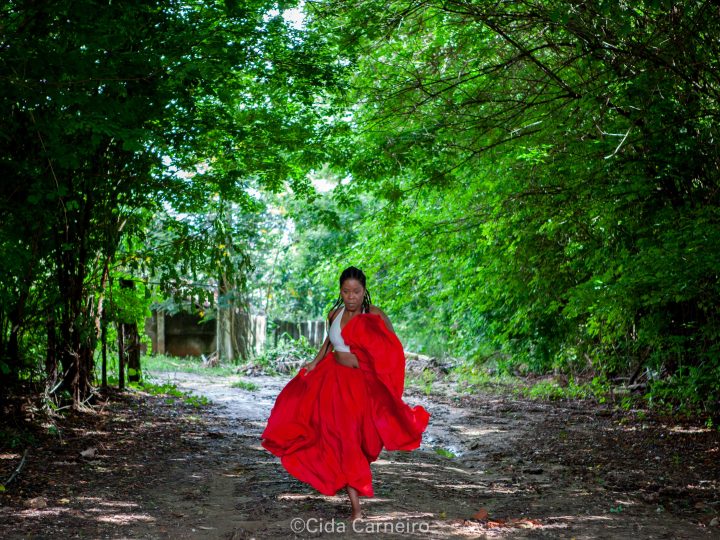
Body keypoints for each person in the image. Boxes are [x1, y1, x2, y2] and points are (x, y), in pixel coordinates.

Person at [261, 266, 430, 520]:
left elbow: (392, 348)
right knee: (338, 437)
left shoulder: (374, 315)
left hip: (362, 386)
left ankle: (354, 491)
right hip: (333, 382)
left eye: (356, 292)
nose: (351, 297)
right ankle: (356, 508)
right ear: (340, 291)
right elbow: (328, 344)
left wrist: (382, 375)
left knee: (357, 441)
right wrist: (315, 363)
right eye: (346, 291)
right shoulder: (334, 314)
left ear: (364, 292)